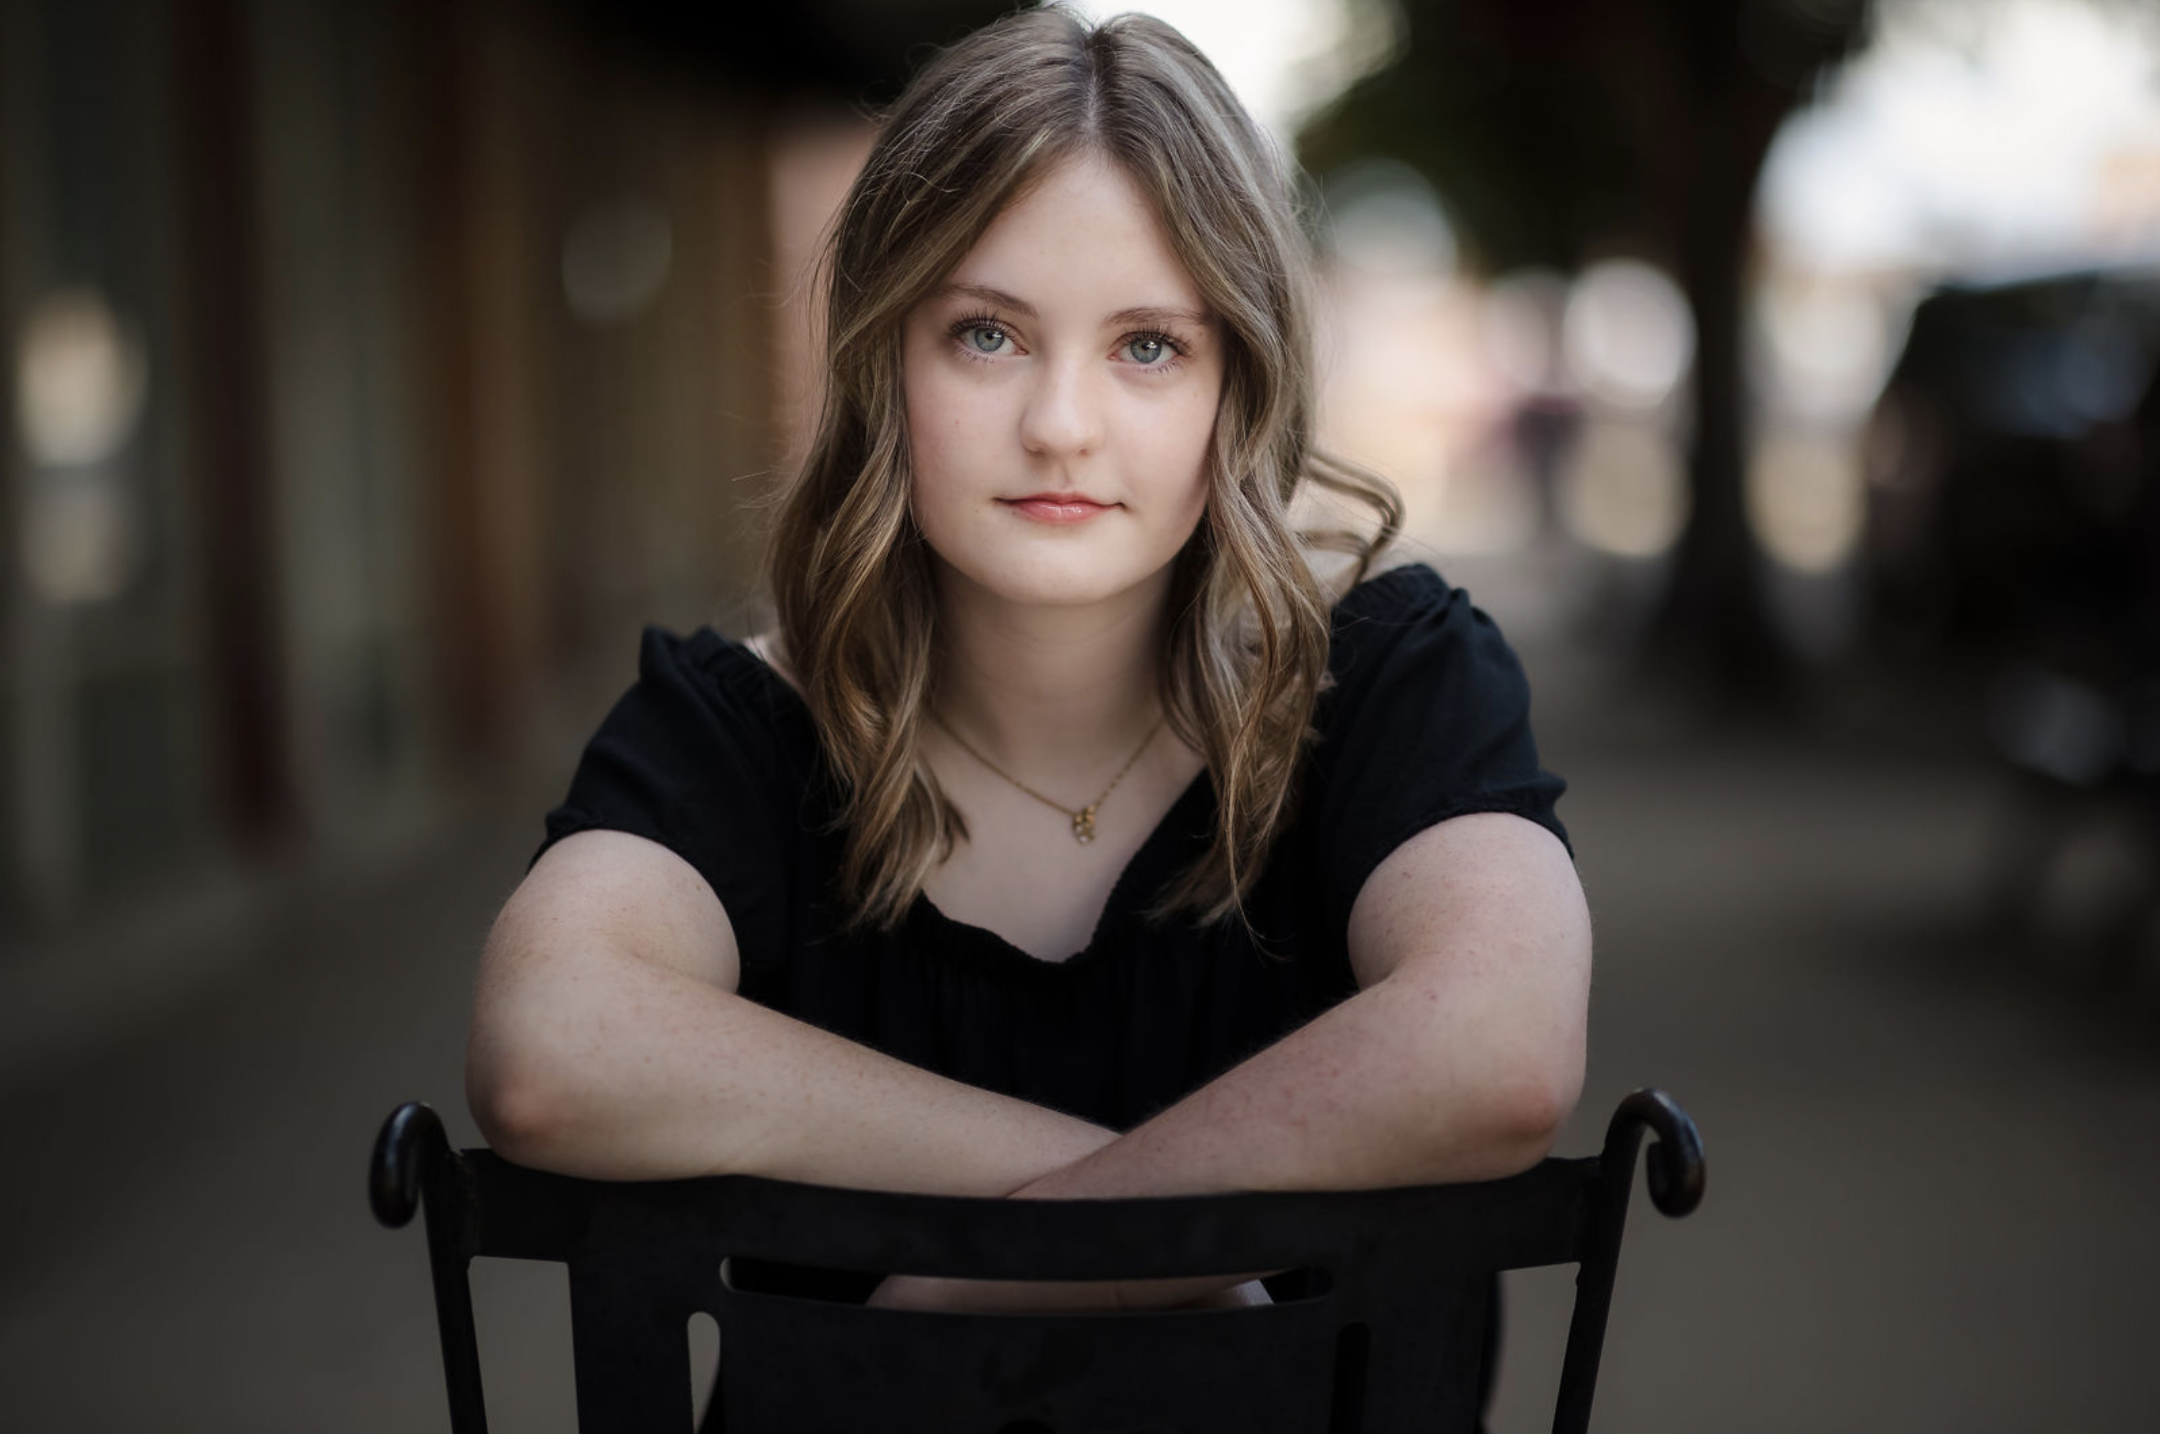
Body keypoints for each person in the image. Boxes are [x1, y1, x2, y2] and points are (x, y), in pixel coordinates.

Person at [466, 5, 1590, 1316]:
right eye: (986, 334)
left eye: (1149, 346)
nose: (1061, 425)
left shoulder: (1395, 682)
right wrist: (1140, 1237)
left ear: (1243, 383)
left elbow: (1497, 1049)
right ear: (887, 358)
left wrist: (966, 1284)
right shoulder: (736, 733)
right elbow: (551, 1051)